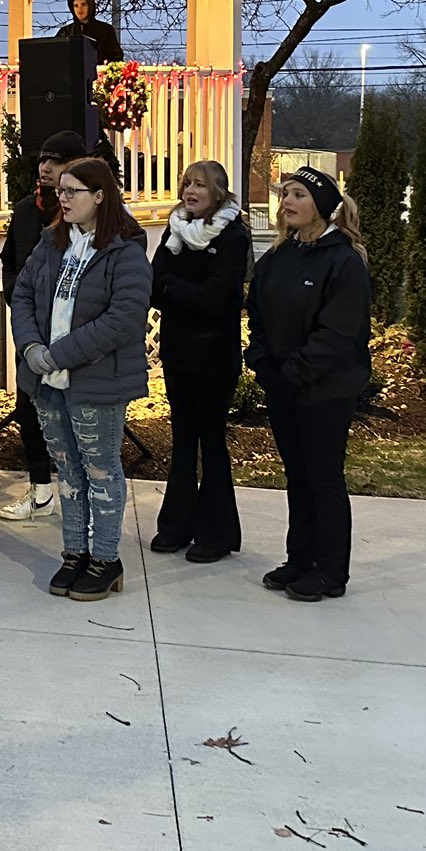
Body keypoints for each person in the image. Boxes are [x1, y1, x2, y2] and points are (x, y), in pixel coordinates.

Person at [11, 156, 151, 603]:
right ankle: (74, 552)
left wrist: (58, 354)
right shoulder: (52, 242)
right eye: (61, 191)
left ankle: (106, 559)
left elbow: (123, 319)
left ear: (99, 196)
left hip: (96, 382)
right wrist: (32, 348)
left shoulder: (125, 249)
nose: (63, 198)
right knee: (68, 471)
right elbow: (23, 294)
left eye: (73, 191)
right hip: (47, 381)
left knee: (100, 469)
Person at [246, 166, 372, 603]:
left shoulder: (344, 260)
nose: (287, 203)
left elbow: (337, 335)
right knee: (297, 477)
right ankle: (299, 558)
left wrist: (293, 374)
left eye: (297, 195)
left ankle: (330, 570)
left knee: (323, 478)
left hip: (325, 391)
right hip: (284, 389)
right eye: (285, 195)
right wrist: (262, 365)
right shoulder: (279, 258)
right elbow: (257, 316)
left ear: (321, 204)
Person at [149, 159, 249, 562]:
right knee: (182, 439)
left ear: (219, 193)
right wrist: (178, 288)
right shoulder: (174, 231)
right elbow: (154, 288)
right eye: (187, 184)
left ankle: (217, 532)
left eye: (200, 186)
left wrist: (175, 287)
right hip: (178, 352)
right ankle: (176, 525)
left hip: (213, 356)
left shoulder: (233, 236)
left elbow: (215, 299)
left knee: (211, 441)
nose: (190, 191)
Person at [0, 128, 86, 522]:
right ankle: (41, 490)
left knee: (76, 414)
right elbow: (11, 260)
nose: (46, 168)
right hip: (30, 330)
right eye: (43, 160)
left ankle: (80, 495)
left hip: (71, 335)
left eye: (55, 161)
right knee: (29, 408)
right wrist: (18, 296)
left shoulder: (81, 215)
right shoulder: (27, 210)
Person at [56, 0, 124, 63]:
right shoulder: (65, 32)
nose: (80, 9)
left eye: (83, 4)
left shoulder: (105, 29)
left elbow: (116, 57)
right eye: (76, 6)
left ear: (90, 6)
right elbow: (55, 56)